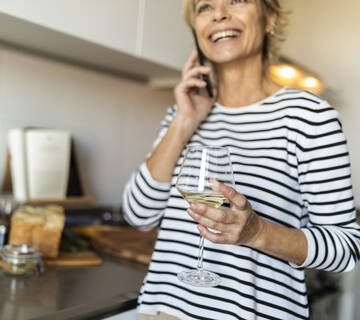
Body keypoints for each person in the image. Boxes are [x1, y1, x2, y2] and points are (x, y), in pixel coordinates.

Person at [122, 0, 360, 319]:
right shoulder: (183, 113)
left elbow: (345, 249)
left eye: (236, 0)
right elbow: (138, 214)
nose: (219, 13)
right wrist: (183, 121)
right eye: (205, 6)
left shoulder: (308, 116)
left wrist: (255, 232)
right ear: (196, 27)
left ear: (270, 17)